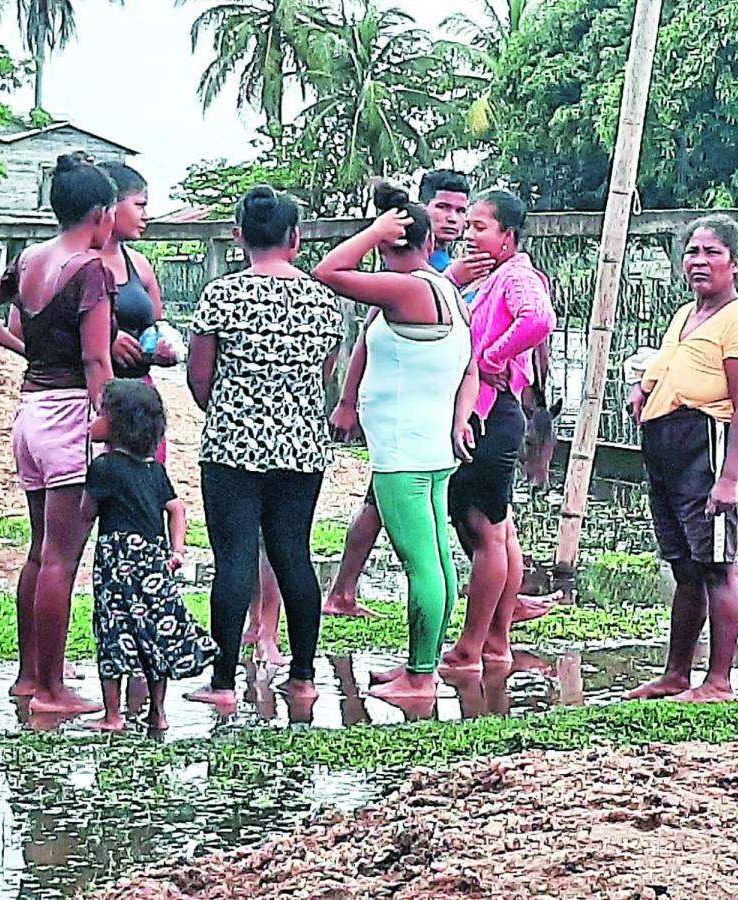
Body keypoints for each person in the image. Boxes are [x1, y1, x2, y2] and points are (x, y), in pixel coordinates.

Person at [0, 152, 117, 715]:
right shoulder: (90, 269)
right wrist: (108, 425)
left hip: (31, 410)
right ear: (100, 213)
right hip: (71, 412)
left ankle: (30, 677)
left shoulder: (28, 260)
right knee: (61, 557)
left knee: (38, 551)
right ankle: (53, 690)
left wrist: (23, 348)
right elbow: (97, 359)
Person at [313, 181, 476, 702]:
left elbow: (328, 272)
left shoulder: (407, 288)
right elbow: (468, 367)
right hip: (426, 444)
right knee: (436, 557)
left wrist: (371, 231)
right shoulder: (445, 288)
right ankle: (420, 665)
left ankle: (421, 674)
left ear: (392, 246)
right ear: (430, 244)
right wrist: (457, 419)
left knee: (421, 560)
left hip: (406, 451)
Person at [186, 185, 342, 707]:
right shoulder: (324, 300)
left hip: (232, 444)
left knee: (233, 559)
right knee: (293, 554)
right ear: (295, 238)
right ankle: (302, 676)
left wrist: (233, 410)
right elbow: (323, 377)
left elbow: (199, 378)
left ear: (239, 238)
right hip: (301, 445)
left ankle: (224, 682)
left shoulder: (221, 295)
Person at [624, 215, 738, 704]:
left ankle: (720, 681)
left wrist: (728, 481)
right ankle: (676, 673)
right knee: (685, 566)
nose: (699, 261)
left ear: (735, 263)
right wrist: (645, 394)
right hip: (669, 451)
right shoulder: (686, 316)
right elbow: (668, 369)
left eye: (712, 252)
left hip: (710, 448)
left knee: (716, 565)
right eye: (692, 251)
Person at [439, 190, 556, 673]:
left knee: (485, 529)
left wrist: (492, 357)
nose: (470, 234)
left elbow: (538, 320)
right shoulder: (487, 280)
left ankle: (473, 645)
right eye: (468, 226)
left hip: (492, 413)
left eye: (481, 227)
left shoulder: (516, 276)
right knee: (492, 528)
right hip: (489, 411)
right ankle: (495, 640)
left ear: (508, 236)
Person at [81, 379, 218, 732]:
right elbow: (177, 509)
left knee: (113, 633)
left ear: (117, 425)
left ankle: (112, 716)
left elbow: (86, 511)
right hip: (154, 562)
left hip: (117, 565)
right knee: (154, 634)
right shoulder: (154, 469)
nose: (91, 422)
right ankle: (158, 713)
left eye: (99, 415)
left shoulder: (105, 468)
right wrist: (176, 550)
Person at [95, 161, 175, 462]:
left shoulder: (139, 265)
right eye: (139, 205)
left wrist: (163, 350)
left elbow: (157, 324)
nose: (146, 215)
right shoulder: (72, 261)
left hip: (138, 398)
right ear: (110, 206)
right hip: (89, 392)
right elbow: (26, 328)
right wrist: (102, 342)